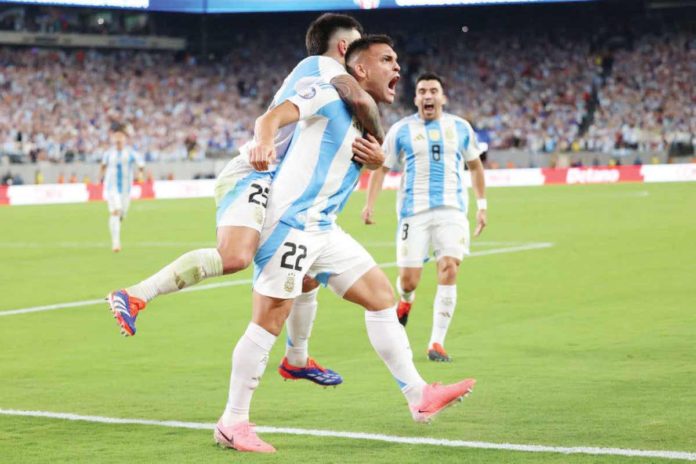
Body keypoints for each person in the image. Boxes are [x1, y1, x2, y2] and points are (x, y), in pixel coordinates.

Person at [214, 36, 475, 454]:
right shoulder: (324, 92)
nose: (397, 69)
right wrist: (263, 142)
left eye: (397, 61)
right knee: (268, 320)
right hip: (291, 224)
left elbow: (369, 158)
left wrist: (375, 159)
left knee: (381, 296)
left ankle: (419, 397)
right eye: (386, 60)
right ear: (360, 69)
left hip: (323, 228)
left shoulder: (363, 118)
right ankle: (233, 421)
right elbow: (271, 118)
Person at [106, 13, 385, 387]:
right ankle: (135, 294)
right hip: (254, 171)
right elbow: (358, 100)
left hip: (279, 184)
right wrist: (377, 139)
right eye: (357, 44)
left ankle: (297, 360)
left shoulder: (324, 84)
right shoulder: (323, 67)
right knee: (236, 256)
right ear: (342, 47)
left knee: (307, 271)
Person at [362, 73, 488, 362]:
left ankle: (436, 343)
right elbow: (381, 168)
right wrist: (370, 204)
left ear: (442, 97)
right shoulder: (401, 130)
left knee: (449, 268)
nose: (428, 96)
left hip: (452, 210)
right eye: (422, 91)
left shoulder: (460, 128)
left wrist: (482, 205)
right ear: (416, 98)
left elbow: (475, 166)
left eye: (433, 91)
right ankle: (406, 301)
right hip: (413, 213)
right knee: (409, 281)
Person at [99, 124, 144, 253]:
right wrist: (99, 179)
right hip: (111, 188)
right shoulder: (108, 154)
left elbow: (141, 164)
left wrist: (140, 174)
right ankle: (116, 243)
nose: (118, 139)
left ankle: (115, 233)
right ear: (113, 139)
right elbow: (103, 166)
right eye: (116, 137)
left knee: (121, 215)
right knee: (116, 212)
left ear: (125, 139)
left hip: (126, 190)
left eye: (121, 137)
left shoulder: (131, 153)